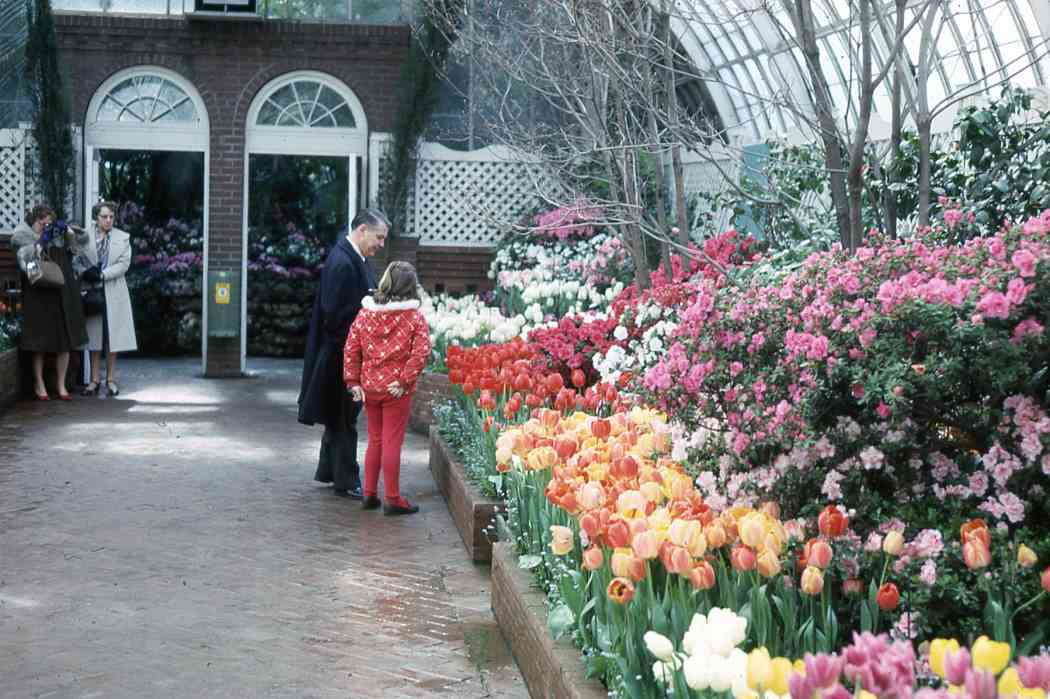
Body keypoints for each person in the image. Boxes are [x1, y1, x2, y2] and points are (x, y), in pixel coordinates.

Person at [298, 208, 389, 500]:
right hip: (341, 356)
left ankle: (329, 471)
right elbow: (334, 316)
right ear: (362, 230)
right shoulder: (343, 263)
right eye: (379, 237)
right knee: (343, 417)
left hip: (343, 353)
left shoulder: (353, 258)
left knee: (339, 416)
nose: (381, 244)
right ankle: (346, 480)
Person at [343, 261, 430, 515]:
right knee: (392, 442)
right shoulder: (414, 317)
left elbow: (351, 347)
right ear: (411, 286)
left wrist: (353, 381)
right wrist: (404, 380)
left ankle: (369, 493)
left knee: (375, 440)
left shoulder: (365, 313)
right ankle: (393, 498)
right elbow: (421, 352)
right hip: (396, 389)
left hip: (371, 387)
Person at [11, 205, 89, 400]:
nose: (45, 225)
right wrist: (41, 242)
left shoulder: (56, 234)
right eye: (42, 221)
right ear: (34, 220)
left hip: (59, 291)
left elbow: (78, 249)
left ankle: (61, 385)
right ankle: (40, 384)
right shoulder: (22, 236)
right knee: (40, 340)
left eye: (48, 221)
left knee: (64, 340)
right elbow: (26, 265)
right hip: (37, 294)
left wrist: (68, 233)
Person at [78, 201, 137, 397]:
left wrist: (103, 275)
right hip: (92, 292)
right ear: (97, 217)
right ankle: (94, 380)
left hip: (114, 290)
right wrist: (85, 273)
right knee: (93, 337)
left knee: (114, 337)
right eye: (105, 216)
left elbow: (124, 264)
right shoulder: (84, 236)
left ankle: (110, 379)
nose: (109, 220)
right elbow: (75, 259)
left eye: (112, 216)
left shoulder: (123, 238)